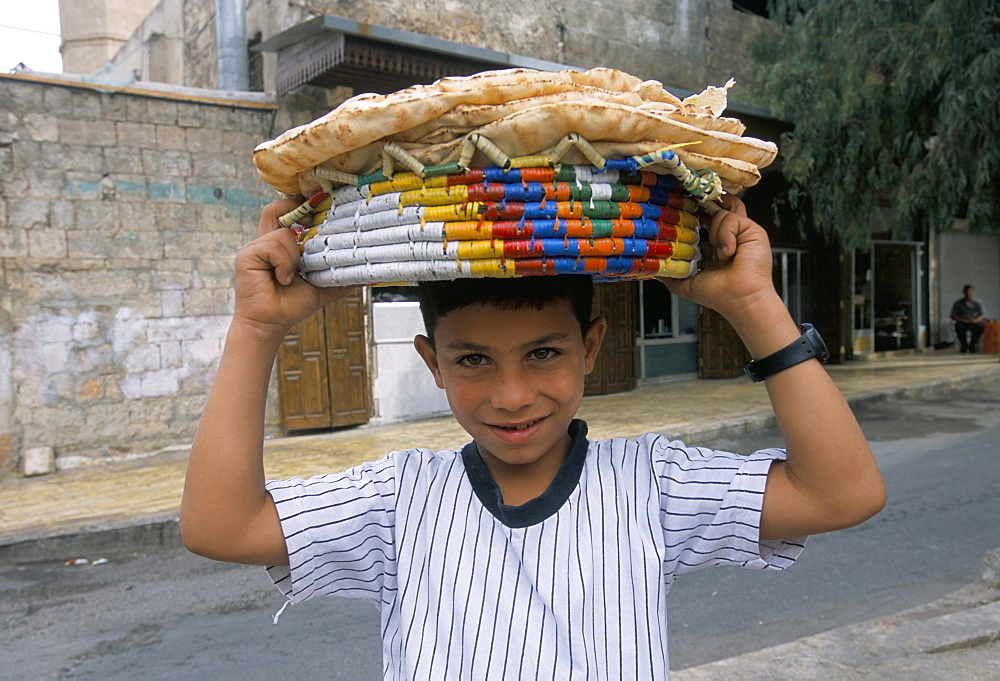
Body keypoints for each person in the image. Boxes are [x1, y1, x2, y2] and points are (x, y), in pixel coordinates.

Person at [180, 194, 886, 678]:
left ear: (592, 346)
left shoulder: (650, 485)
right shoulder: (398, 500)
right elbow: (221, 525)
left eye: (544, 353)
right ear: (433, 363)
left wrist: (754, 302)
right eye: (473, 360)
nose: (511, 395)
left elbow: (842, 493)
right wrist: (257, 328)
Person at [951, 285, 987, 353]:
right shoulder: (958, 303)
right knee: (959, 327)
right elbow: (953, 315)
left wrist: (975, 320)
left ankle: (973, 344)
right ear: (964, 292)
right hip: (963, 321)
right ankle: (964, 345)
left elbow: (983, 315)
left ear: (973, 292)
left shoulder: (978, 303)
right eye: (967, 291)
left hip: (974, 322)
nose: (968, 293)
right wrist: (963, 320)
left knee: (980, 326)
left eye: (970, 291)